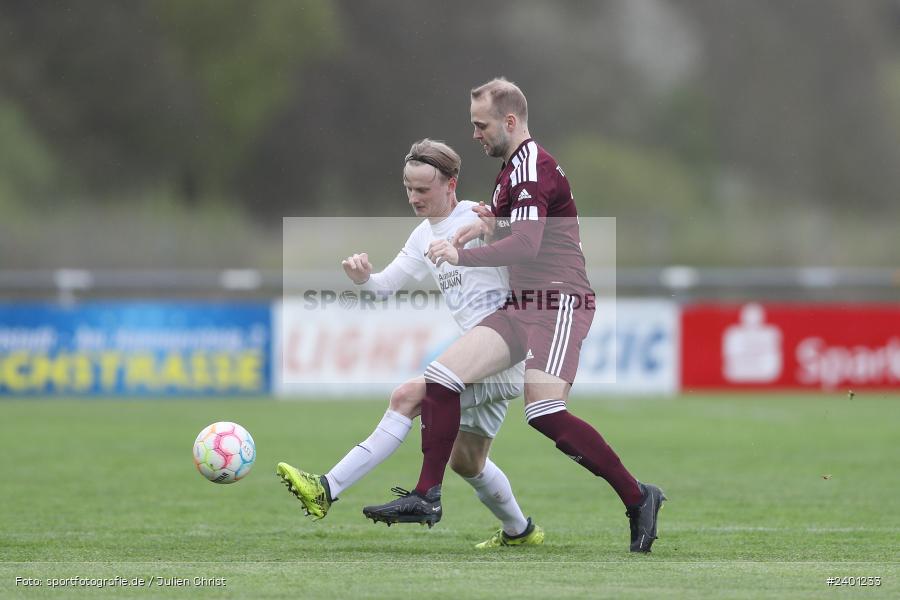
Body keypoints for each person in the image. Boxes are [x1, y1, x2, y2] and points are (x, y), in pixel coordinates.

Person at [363, 78, 666, 553]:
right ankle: (427, 495)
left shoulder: (530, 168)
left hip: (558, 299)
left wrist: (463, 253)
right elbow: (512, 228)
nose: (475, 134)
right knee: (443, 375)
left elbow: (526, 244)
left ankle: (638, 496)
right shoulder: (510, 172)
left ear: (509, 121)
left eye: (481, 125)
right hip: (521, 305)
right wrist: (485, 223)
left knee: (544, 412)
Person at [275, 138, 544, 549]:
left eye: (423, 189)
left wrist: (494, 227)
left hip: (501, 348)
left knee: (406, 397)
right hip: (478, 355)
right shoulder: (421, 236)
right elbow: (385, 288)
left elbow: (521, 243)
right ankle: (520, 531)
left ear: (451, 184)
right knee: (468, 462)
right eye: (408, 188)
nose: (414, 197)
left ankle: (325, 488)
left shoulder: (474, 214)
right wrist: (364, 278)